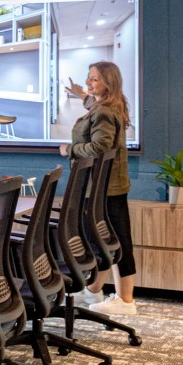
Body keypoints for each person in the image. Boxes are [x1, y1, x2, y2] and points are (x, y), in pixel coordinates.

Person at [59, 60, 137, 314]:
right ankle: (94, 290)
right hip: (110, 185)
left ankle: (125, 300)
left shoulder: (104, 111)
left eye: (94, 79)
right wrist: (81, 94)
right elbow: (93, 107)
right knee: (109, 241)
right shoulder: (111, 104)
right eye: (89, 77)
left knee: (114, 242)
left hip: (102, 188)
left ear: (108, 83)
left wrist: (69, 149)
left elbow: (99, 146)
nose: (88, 82)